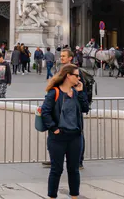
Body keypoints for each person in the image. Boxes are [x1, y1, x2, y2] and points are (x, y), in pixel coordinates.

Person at [41, 64, 89, 199]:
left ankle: (74, 196)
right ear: (68, 76)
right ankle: (52, 197)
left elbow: (85, 108)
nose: (79, 78)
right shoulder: (54, 92)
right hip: (58, 137)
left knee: (73, 170)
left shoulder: (77, 91)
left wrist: (80, 93)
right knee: (57, 170)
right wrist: (54, 129)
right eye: (77, 75)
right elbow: (45, 112)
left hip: (75, 136)